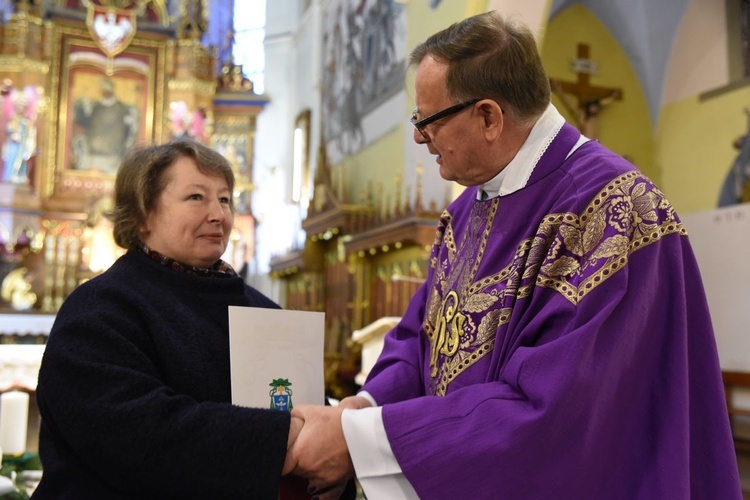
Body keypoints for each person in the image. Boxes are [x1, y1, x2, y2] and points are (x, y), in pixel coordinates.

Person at [284, 11, 743, 500]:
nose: (420, 137)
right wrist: (360, 408)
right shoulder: (466, 211)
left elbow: (555, 418)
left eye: (429, 120)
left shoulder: (612, 213)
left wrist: (359, 441)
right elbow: (421, 339)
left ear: (488, 116)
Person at [33, 139, 303, 499]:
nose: (219, 215)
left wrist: (330, 435)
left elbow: (304, 401)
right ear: (144, 214)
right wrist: (287, 438)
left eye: (224, 199)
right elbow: (140, 437)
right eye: (196, 198)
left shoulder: (263, 311)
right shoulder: (100, 309)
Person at [72, 77, 138, 173]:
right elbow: (84, 124)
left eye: (108, 90)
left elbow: (129, 131)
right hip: (93, 154)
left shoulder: (122, 109)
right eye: (103, 90)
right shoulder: (95, 107)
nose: (106, 93)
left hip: (113, 156)